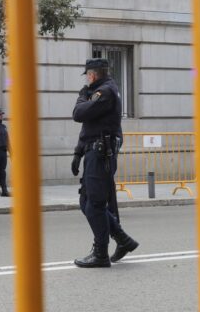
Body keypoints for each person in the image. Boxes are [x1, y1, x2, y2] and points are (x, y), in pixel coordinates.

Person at [71, 58, 139, 267]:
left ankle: (101, 253)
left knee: (95, 205)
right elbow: (89, 128)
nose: (87, 79)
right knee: (86, 202)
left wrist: (83, 97)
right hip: (93, 152)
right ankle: (123, 240)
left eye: (88, 75)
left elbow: (78, 114)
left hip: (101, 155)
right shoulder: (98, 92)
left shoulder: (106, 92)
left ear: (93, 74)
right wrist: (78, 153)